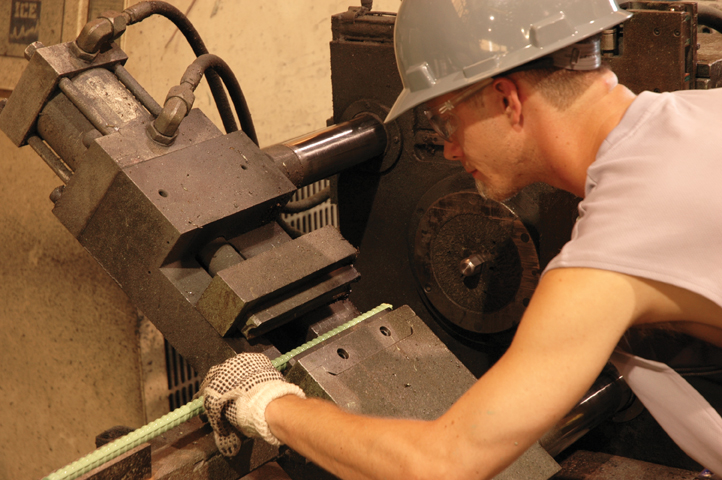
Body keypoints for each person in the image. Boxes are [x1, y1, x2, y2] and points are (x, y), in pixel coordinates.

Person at [199, 0, 722, 478]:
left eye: (444, 117)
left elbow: (442, 464)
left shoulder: (610, 255)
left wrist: (264, 403)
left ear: (507, 99)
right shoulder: (704, 115)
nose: (448, 149)